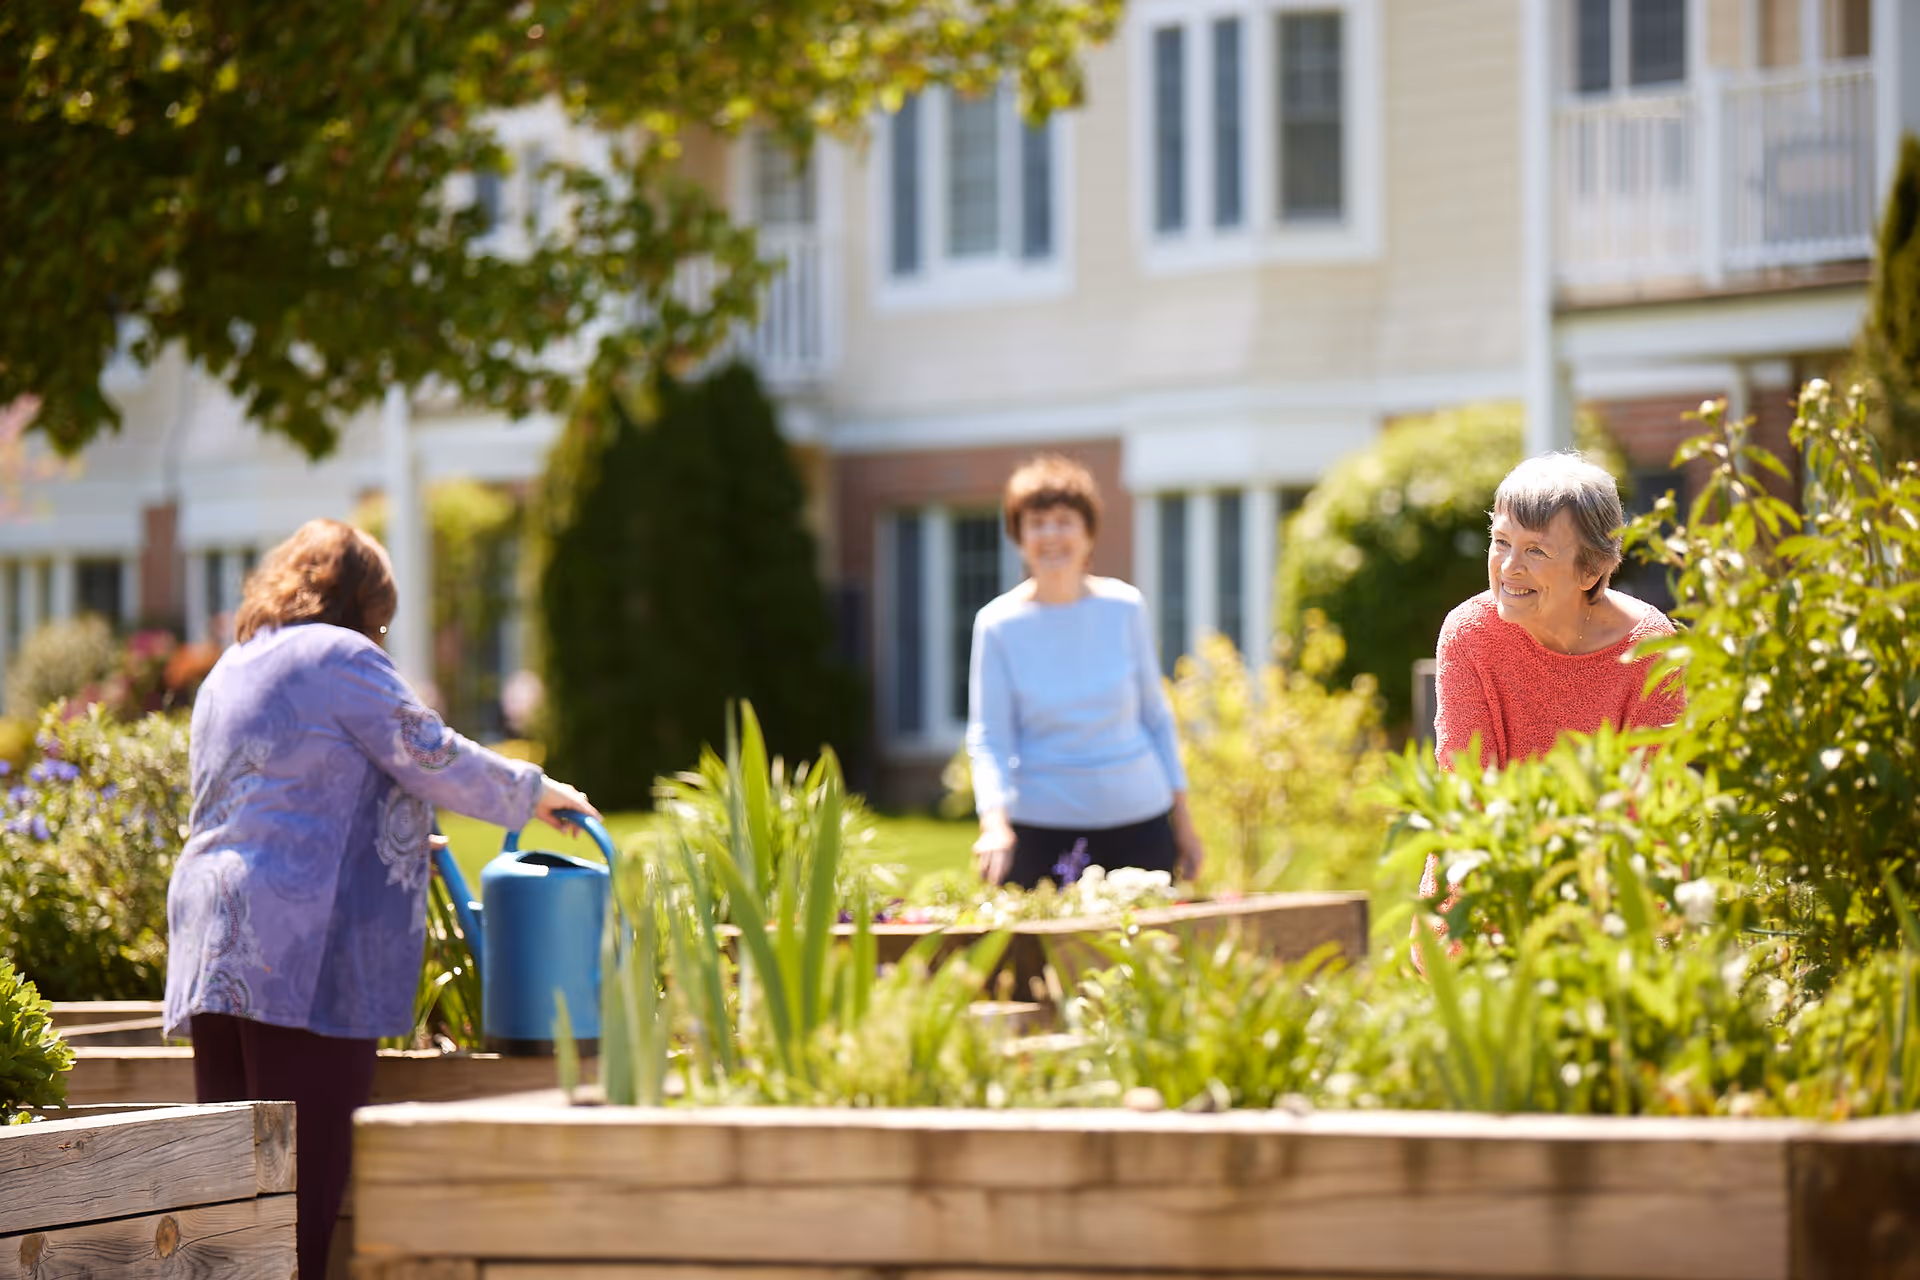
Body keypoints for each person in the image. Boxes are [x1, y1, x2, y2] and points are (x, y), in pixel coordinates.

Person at [161, 518, 600, 1280]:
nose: (382, 634)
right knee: (302, 1188)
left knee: (231, 1194)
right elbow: (428, 752)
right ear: (363, 607)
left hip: (214, 944)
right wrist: (536, 793)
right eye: (383, 620)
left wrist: (389, 840)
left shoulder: (234, 665)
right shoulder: (342, 655)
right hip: (300, 953)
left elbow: (286, 793)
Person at [1417, 452, 1684, 960]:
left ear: (1592, 569)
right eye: (1501, 542)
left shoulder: (1650, 647)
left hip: (1612, 922)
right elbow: (1470, 790)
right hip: (1483, 906)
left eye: (1536, 550)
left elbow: (1647, 811)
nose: (1508, 567)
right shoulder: (1469, 635)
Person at [966, 454, 1204, 889]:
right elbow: (990, 738)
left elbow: (1156, 717)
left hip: (1140, 824)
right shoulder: (998, 625)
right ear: (1018, 535)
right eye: (1037, 522)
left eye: (1064, 520)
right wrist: (994, 825)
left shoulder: (1125, 607)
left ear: (1089, 534)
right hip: (1040, 829)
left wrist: (1184, 822)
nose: (1051, 534)